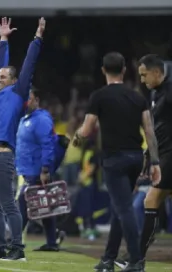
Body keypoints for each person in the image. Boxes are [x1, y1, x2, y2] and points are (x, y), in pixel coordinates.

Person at [73, 52, 160, 272]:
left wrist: (76, 138)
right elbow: (149, 132)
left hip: (114, 159)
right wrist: (155, 162)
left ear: (103, 70)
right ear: (123, 70)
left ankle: (136, 261)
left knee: (124, 209)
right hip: (135, 158)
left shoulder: (99, 96)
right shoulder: (138, 97)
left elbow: (87, 128)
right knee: (119, 208)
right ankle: (108, 259)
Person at [0, 17, 45, 261]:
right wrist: (3, 39)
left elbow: (29, 65)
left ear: (14, 82)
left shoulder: (17, 93)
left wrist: (37, 39)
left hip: (1, 157)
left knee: (8, 206)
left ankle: (17, 248)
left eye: (4, 77)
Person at [115, 55, 172, 269]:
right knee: (152, 201)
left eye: (144, 74)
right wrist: (149, 152)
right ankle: (135, 256)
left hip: (170, 155)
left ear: (156, 72)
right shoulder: (158, 93)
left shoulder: (169, 89)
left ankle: (136, 258)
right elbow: (160, 127)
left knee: (151, 201)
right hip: (164, 154)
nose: (142, 79)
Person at [15, 88, 68, 252]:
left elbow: (48, 145)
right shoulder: (24, 118)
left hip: (37, 170)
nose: (26, 102)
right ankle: (52, 242)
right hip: (27, 169)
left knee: (22, 205)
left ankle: (14, 241)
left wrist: (45, 169)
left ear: (36, 100)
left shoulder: (42, 119)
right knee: (44, 207)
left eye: (29, 99)